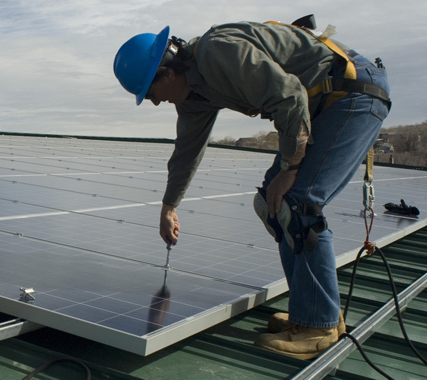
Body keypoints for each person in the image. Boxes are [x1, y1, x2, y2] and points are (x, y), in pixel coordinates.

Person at [113, 17, 390, 359]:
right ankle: (311, 313)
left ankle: (319, 325)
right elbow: (187, 150)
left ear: (167, 72)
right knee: (271, 205)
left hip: (350, 92)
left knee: (298, 203)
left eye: (151, 93)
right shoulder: (193, 96)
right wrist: (169, 206)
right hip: (319, 104)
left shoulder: (219, 53)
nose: (154, 102)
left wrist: (289, 168)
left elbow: (289, 97)